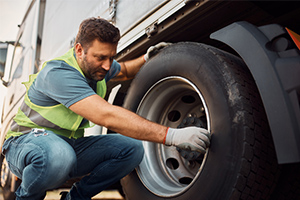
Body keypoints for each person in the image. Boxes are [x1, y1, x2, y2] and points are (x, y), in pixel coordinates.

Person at [2, 17, 210, 200]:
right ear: (79, 50)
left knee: (132, 149)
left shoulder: (96, 68)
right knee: (59, 156)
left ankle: (76, 198)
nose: (108, 66)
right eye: (101, 58)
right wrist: (171, 135)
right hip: (24, 143)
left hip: (66, 145)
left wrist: (146, 58)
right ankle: (27, 197)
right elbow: (106, 116)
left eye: (111, 57)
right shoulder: (58, 73)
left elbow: (125, 70)